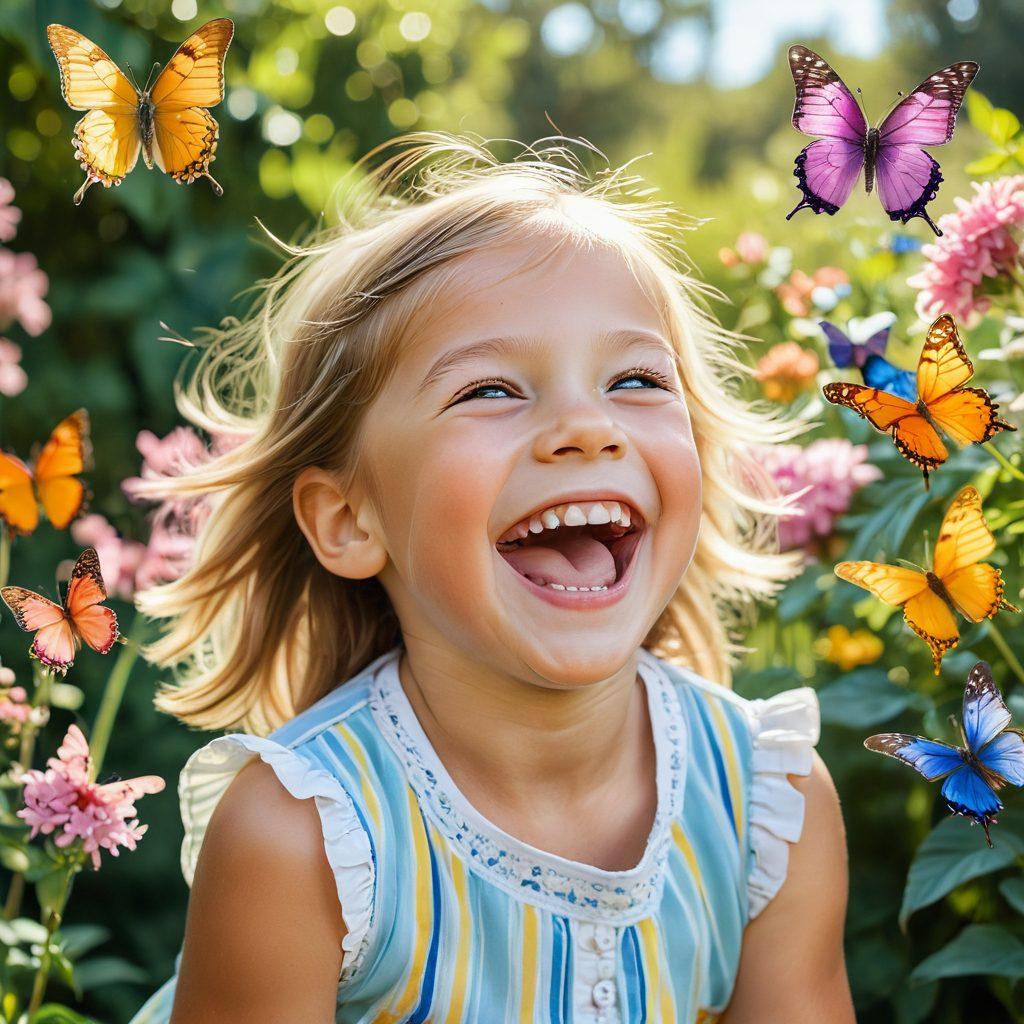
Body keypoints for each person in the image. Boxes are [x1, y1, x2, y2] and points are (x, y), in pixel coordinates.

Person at [127, 131, 854, 1024]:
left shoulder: (767, 808)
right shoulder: (303, 835)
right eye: (491, 391)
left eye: (634, 379)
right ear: (351, 521)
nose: (588, 427)